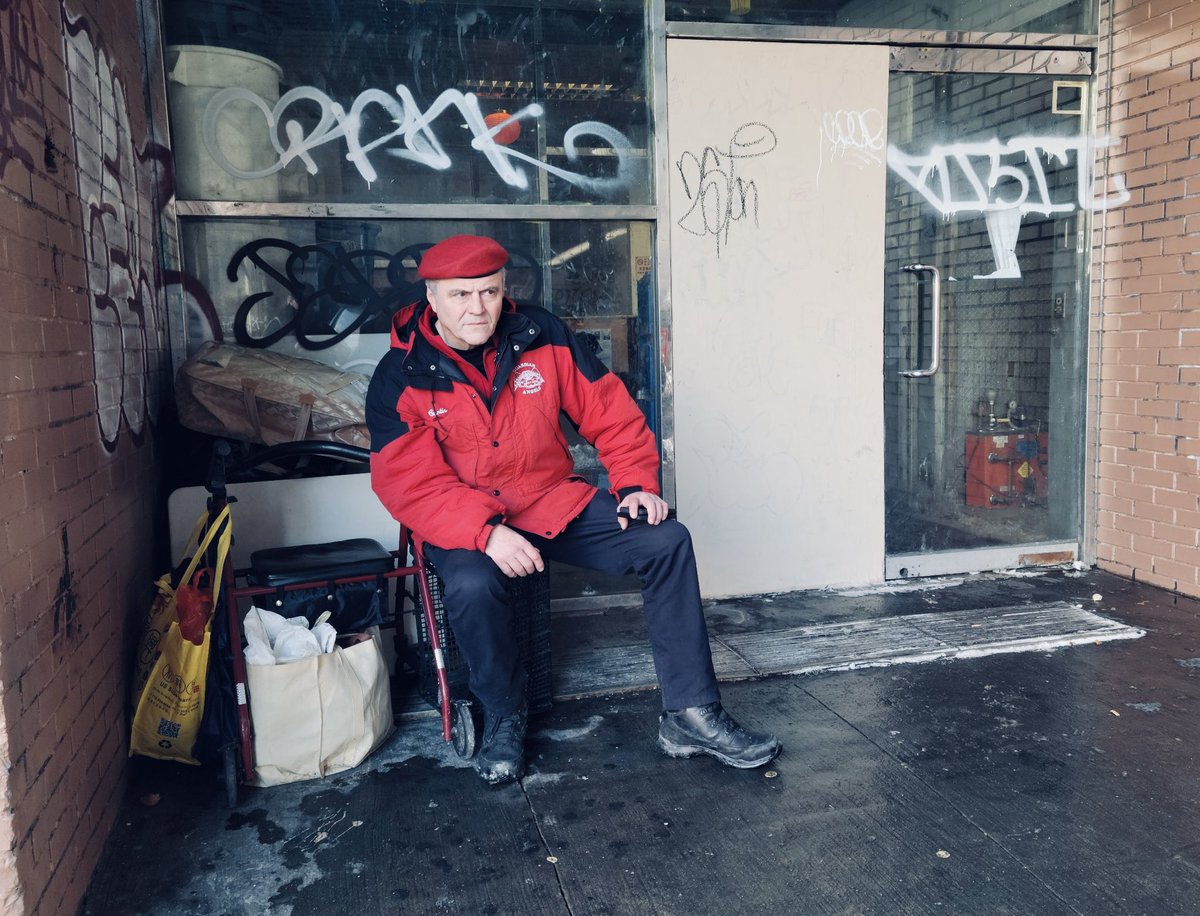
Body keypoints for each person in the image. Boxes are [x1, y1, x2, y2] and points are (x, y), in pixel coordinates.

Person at [366, 235, 780, 785]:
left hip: (548, 499)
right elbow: (410, 483)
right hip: (464, 519)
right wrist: (485, 533)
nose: (477, 308)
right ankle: (504, 714)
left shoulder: (543, 336)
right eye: (460, 295)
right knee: (470, 586)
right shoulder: (400, 374)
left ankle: (690, 713)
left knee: (665, 541)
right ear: (432, 297)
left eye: (488, 292)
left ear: (503, 290)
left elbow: (610, 411)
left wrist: (634, 483)